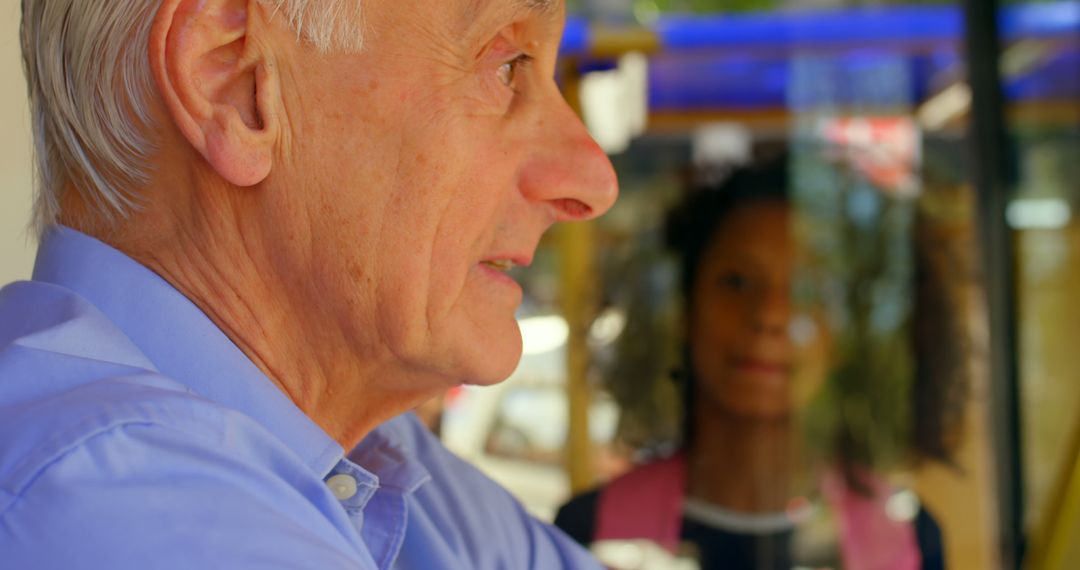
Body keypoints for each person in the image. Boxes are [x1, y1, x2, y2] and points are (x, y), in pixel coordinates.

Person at [0, 0, 617, 568]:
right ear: (237, 84)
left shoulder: (368, 454)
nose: (593, 183)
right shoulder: (122, 507)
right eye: (508, 66)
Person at [554, 157, 947, 569]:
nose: (770, 315)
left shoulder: (907, 538)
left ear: (849, 332)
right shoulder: (589, 530)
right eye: (737, 282)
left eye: (809, 290)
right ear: (684, 310)